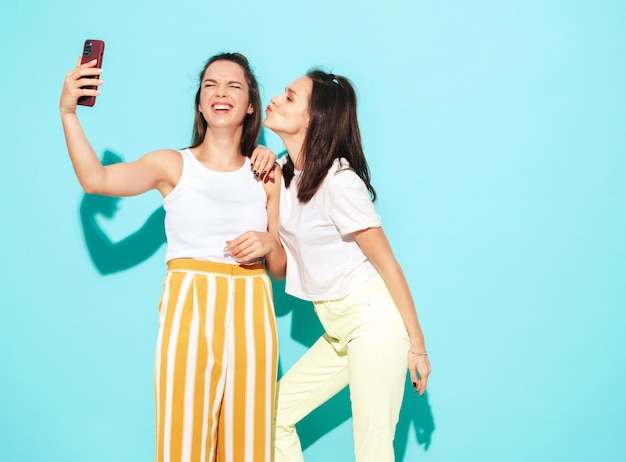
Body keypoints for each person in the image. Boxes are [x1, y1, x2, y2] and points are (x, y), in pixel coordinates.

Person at [60, 51, 285, 462]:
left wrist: (271, 244)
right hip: (191, 305)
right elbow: (97, 180)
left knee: (250, 447)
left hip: (253, 306)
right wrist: (69, 113)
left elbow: (281, 269)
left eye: (234, 85)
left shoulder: (267, 173)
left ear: (250, 104)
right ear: (200, 102)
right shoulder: (172, 164)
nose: (221, 92)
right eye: (210, 85)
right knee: (182, 443)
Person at [262, 70, 432, 462]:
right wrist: (270, 187)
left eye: (289, 97)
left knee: (372, 448)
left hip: (372, 321)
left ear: (313, 118)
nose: (275, 98)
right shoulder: (284, 173)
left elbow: (387, 263)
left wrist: (417, 345)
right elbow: (280, 265)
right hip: (337, 328)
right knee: (272, 417)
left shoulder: (339, 182)